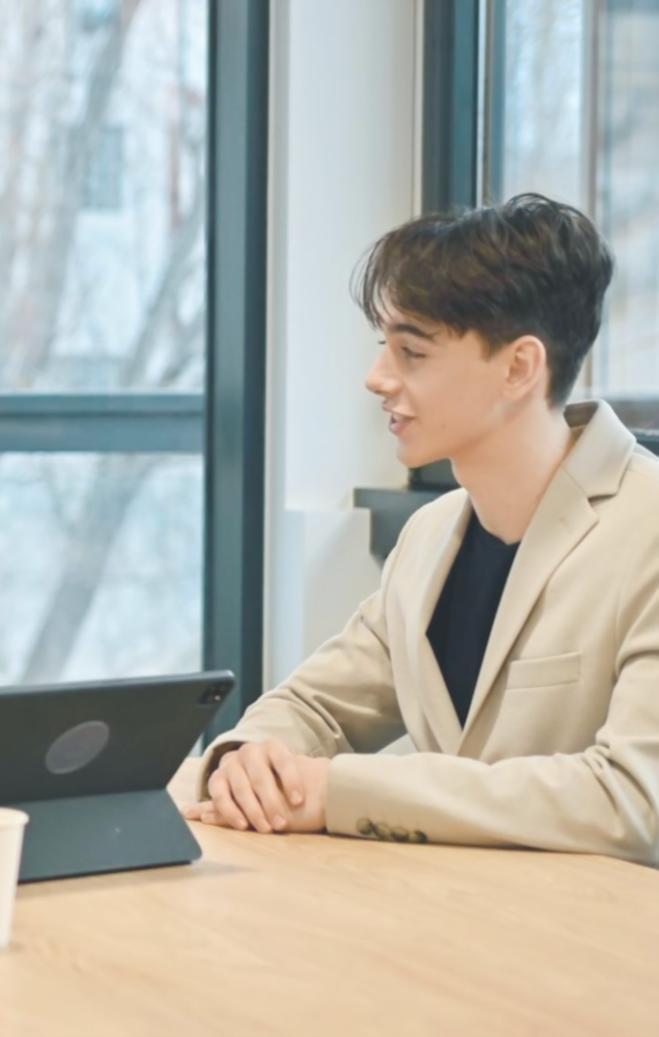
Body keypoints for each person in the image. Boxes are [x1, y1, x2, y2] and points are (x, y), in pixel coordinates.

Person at [185, 194, 659, 865]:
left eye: (411, 352)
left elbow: (631, 800)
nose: (375, 378)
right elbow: (316, 706)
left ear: (519, 367)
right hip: (450, 927)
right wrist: (243, 760)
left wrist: (342, 791)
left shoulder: (646, 529)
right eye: (385, 347)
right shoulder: (430, 534)